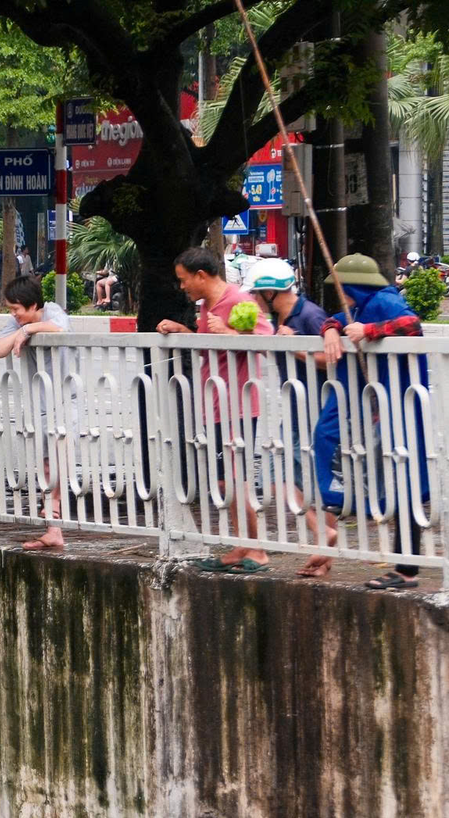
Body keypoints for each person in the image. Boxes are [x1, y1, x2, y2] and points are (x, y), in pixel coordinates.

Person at [314, 253, 429, 588]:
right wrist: (333, 329)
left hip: (403, 406)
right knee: (392, 476)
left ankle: (407, 568)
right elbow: (333, 319)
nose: (341, 296)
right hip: (386, 407)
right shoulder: (362, 306)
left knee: (405, 479)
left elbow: (412, 325)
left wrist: (369, 330)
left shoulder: (384, 300)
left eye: (343, 289)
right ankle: (404, 564)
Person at [157, 246, 274, 572]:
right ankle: (242, 545)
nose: (182, 287)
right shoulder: (208, 305)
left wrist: (232, 333)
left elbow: (267, 339)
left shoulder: (238, 301)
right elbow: (212, 344)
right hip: (215, 404)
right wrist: (186, 332)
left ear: (201, 275)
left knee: (233, 480)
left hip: (236, 404)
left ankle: (257, 550)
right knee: (223, 481)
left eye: (184, 280)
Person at [250, 257, 337, 568]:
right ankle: (325, 553)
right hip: (300, 406)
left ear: (270, 293)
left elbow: (332, 359)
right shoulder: (284, 320)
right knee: (313, 479)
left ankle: (321, 532)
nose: (254, 300)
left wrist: (294, 348)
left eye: (256, 295)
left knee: (278, 475)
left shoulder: (310, 316)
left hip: (315, 406)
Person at [0, 275, 70, 550]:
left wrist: (27, 331)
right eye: (11, 310)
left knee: (60, 457)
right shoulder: (18, 321)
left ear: (33, 304)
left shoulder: (52, 312)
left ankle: (55, 512)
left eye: (16, 309)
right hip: (43, 401)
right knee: (47, 463)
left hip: (65, 396)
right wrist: (21, 328)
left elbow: (59, 329)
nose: (13, 315)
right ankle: (54, 529)